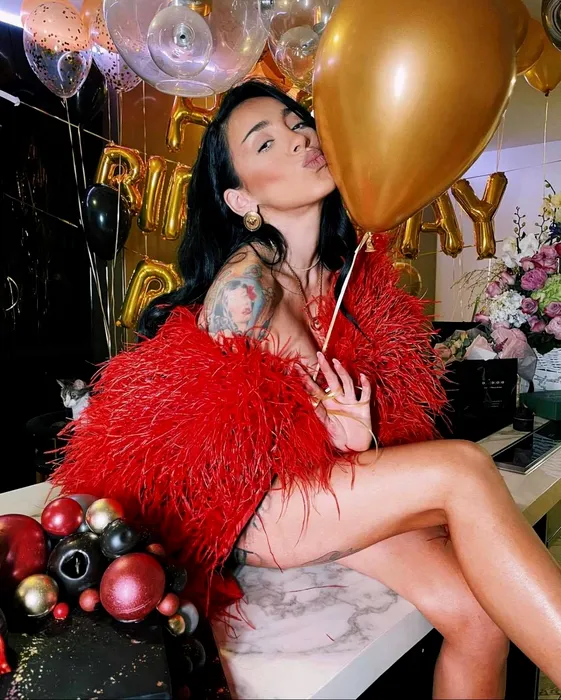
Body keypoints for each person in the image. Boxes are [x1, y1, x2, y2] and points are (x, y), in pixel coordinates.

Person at [55, 80, 561, 698]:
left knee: (479, 619)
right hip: (257, 510)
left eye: (297, 123)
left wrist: (347, 439)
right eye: (265, 141)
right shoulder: (244, 290)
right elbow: (204, 459)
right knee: (463, 470)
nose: (299, 138)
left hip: (323, 492)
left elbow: (334, 433)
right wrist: (330, 443)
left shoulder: (341, 277)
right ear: (241, 198)